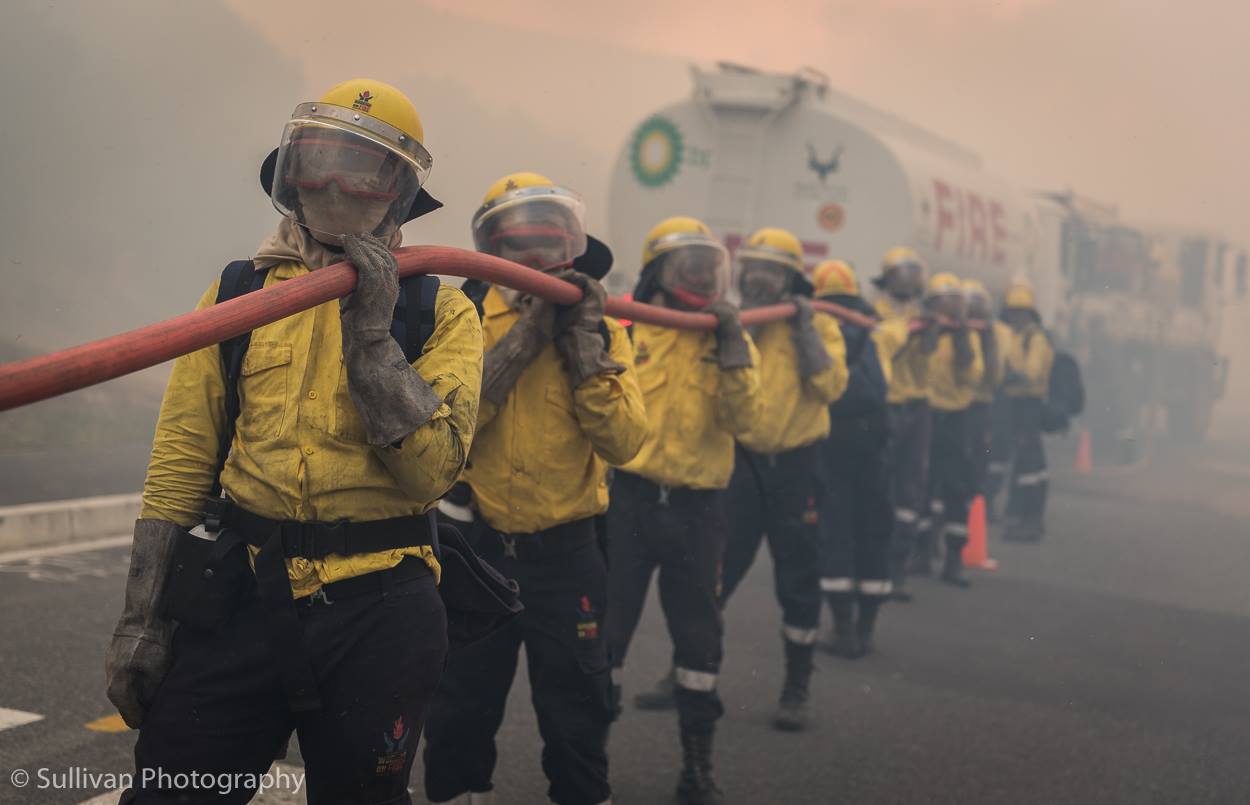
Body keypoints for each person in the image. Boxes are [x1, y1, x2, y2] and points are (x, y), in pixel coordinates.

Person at [105, 78, 483, 804]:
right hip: (242, 594)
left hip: (381, 609)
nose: (337, 186)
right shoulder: (238, 291)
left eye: (365, 169)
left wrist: (372, 336)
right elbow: (180, 465)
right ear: (290, 172)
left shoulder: (441, 307)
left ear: (399, 193)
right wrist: (141, 623)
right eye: (319, 162)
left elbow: (431, 472)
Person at [423, 172, 647, 805]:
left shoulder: (599, 328)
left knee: (578, 713)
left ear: (572, 249)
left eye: (548, 243)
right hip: (477, 551)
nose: (532, 258)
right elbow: (448, 427)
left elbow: (626, 443)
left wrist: (581, 348)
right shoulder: (461, 313)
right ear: (490, 250)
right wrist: (523, 341)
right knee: (459, 708)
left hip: (567, 555)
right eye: (515, 244)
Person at [604, 217, 760, 805]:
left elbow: (748, 424)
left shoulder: (727, 341)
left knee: (700, 642)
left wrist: (735, 350)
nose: (699, 276)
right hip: (630, 504)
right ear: (656, 273)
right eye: (686, 266)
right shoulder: (623, 327)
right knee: (607, 634)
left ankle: (698, 767)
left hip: (699, 511)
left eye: (707, 265)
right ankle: (590, 756)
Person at [719, 227, 848, 732]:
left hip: (797, 468)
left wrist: (804, 327)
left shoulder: (819, 327)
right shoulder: (736, 321)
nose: (758, 279)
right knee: (716, 573)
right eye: (752, 267)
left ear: (792, 278)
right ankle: (685, 671)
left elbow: (831, 385)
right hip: (743, 465)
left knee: (798, 577)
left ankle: (797, 685)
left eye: (771, 270)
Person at [810, 260, 900, 658]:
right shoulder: (871, 330)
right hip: (873, 448)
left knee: (837, 532)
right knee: (873, 531)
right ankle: (865, 630)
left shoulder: (815, 328)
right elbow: (881, 387)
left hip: (832, 446)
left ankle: (843, 628)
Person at [870, 247, 931, 601]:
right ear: (888, 276)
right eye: (902, 273)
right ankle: (874, 565)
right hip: (886, 405)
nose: (909, 281)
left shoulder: (925, 316)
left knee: (911, 487)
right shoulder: (873, 311)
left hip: (917, 406)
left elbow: (930, 362)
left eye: (914, 273)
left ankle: (897, 568)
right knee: (879, 484)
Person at [916, 273, 984, 587]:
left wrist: (959, 340)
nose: (949, 309)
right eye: (943, 302)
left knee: (957, 488)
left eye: (954, 303)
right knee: (922, 486)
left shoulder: (966, 337)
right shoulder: (920, 332)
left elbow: (973, 375)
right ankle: (920, 553)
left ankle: (954, 559)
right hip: (925, 415)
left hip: (957, 418)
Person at [998, 280, 1055, 542]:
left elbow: (1032, 373)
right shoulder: (1016, 336)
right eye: (1012, 312)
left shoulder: (1035, 338)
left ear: (1028, 313)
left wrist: (1010, 376)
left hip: (1028, 405)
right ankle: (1019, 517)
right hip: (1014, 404)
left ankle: (1031, 521)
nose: (1014, 316)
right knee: (1023, 463)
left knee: (1030, 465)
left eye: (1019, 312)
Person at [963, 278, 1010, 499]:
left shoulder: (994, 333)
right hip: (956, 404)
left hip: (982, 402)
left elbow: (994, 372)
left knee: (980, 452)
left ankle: (978, 496)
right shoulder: (954, 331)